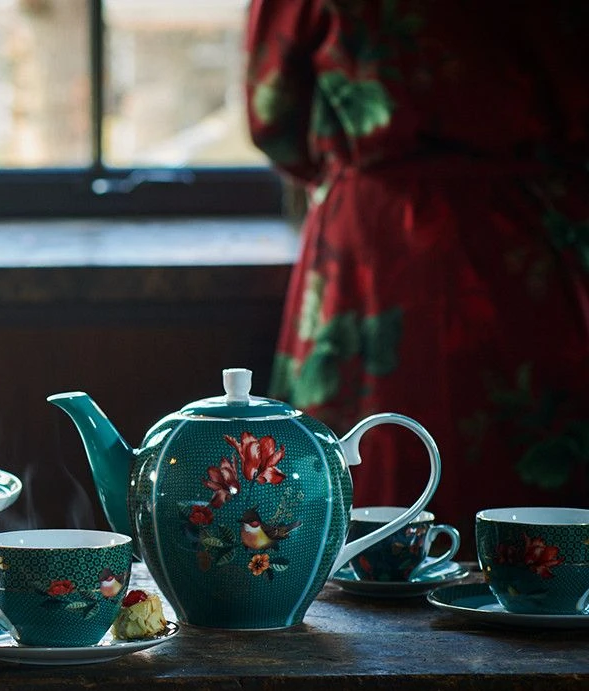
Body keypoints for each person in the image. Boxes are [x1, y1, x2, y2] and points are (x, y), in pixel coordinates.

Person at [244, 1, 589, 542]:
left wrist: (353, 163)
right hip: (529, 238)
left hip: (375, 243)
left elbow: (273, 111)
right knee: (534, 486)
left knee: (361, 478)